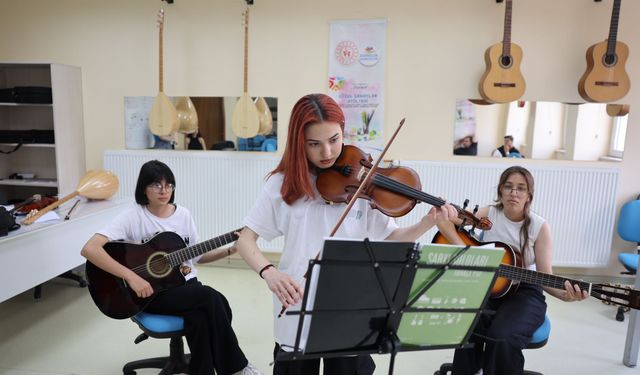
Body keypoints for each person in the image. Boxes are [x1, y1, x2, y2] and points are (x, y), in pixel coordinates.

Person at [235, 93, 457, 375]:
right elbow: (245, 239)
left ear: (343, 132)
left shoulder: (363, 182)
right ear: (298, 143)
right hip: (297, 300)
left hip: (351, 303)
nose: (327, 152)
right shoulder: (281, 185)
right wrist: (270, 273)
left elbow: (390, 239)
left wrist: (426, 223)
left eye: (334, 139)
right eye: (314, 144)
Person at [81, 160, 262, 375]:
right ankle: (237, 368)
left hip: (185, 286)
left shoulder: (183, 214)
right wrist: (131, 277)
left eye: (169, 185)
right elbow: (90, 249)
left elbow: (197, 257)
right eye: (156, 185)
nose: (164, 190)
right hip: (149, 292)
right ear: (143, 188)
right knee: (214, 299)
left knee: (201, 318)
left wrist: (232, 250)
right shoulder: (133, 216)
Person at [436, 166, 588, 375]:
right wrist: (443, 208)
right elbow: (453, 221)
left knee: (503, 337)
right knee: (467, 326)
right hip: (488, 287)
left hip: (525, 291)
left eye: (520, 188)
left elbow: (545, 277)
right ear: (500, 192)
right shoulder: (489, 213)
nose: (513, 193)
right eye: (508, 187)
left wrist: (565, 295)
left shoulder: (539, 227)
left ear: (529, 195)